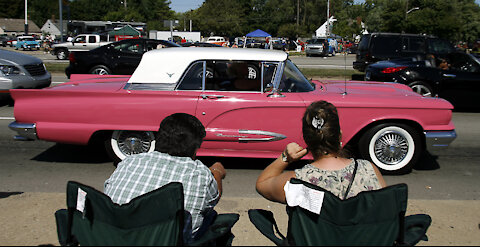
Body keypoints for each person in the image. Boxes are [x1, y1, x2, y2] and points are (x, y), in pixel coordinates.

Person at [104, 113, 226, 242]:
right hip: (168, 241)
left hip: (114, 238)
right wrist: (217, 172)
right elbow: (214, 197)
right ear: (195, 148)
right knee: (211, 215)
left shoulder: (129, 162)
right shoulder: (201, 174)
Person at [256, 100, 386, 204]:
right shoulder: (368, 170)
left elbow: (262, 184)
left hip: (318, 238)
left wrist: (285, 158)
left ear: (307, 138)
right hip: (365, 237)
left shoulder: (299, 181)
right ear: (339, 136)